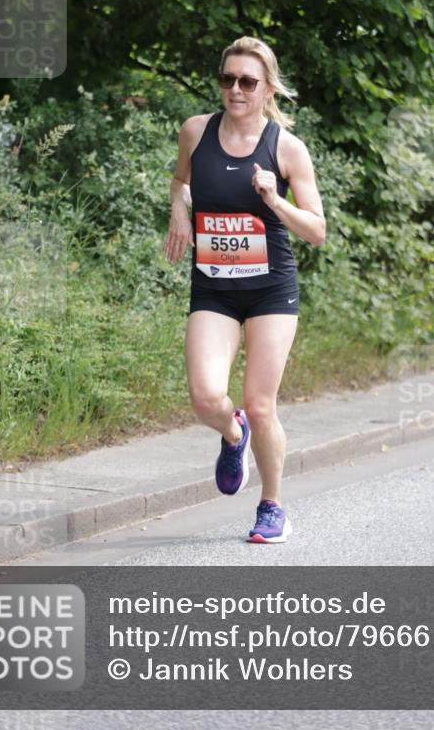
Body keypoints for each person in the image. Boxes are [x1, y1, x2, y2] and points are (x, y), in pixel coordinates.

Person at [162, 35, 325, 543]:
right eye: (227, 79)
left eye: (247, 81)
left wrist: (275, 200)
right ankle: (233, 437)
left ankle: (272, 507)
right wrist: (179, 213)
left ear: (267, 88)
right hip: (213, 286)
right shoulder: (196, 131)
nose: (235, 89)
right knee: (206, 396)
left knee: (261, 403)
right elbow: (180, 180)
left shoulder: (286, 147)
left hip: (271, 291)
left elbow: (317, 229)